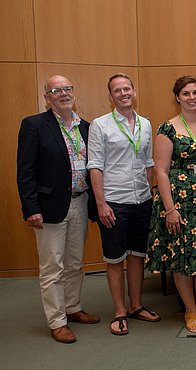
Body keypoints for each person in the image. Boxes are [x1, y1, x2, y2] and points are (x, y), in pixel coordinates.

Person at [17, 75, 100, 343]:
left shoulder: (84, 127)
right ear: (47, 97)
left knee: (75, 263)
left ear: (73, 93)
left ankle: (73, 308)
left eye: (67, 89)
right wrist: (31, 207)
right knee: (53, 266)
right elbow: (26, 171)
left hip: (80, 201)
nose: (63, 94)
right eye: (56, 90)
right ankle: (57, 321)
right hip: (49, 207)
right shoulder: (34, 125)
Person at [146, 76, 196, 334]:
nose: (192, 97)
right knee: (181, 256)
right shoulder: (167, 129)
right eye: (186, 93)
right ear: (177, 98)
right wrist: (170, 209)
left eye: (195, 93)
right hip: (178, 200)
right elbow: (160, 171)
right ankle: (190, 309)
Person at [88, 73, 161, 336]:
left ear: (134, 91)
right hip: (114, 202)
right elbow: (94, 166)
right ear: (111, 96)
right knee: (115, 259)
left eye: (127, 89)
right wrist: (101, 203)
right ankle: (120, 311)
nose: (123, 94)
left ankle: (136, 305)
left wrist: (150, 194)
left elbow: (149, 163)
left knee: (138, 256)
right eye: (117, 91)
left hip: (141, 200)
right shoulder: (100, 125)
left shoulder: (145, 124)